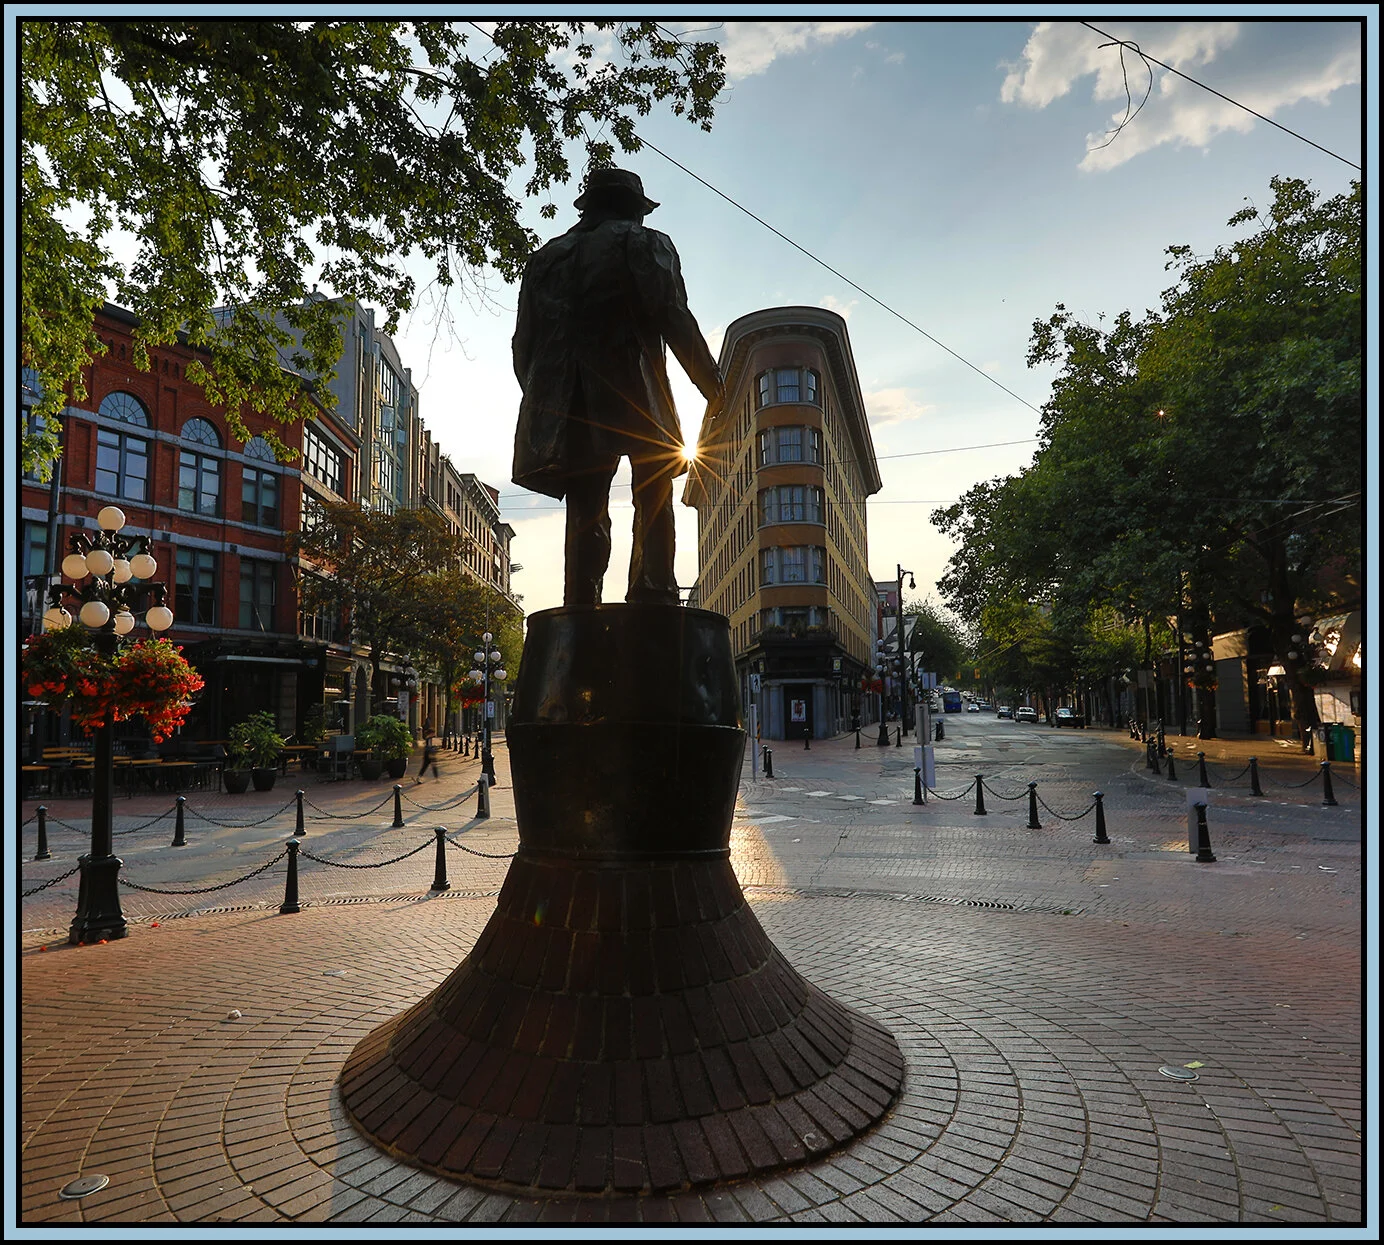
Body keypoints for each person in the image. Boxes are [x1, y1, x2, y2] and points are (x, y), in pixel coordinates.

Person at [512, 167, 724, 606]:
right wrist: (713, 386)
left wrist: (545, 403)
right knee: (654, 485)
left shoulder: (545, 259)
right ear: (634, 210)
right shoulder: (645, 243)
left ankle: (581, 604)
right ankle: (655, 594)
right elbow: (674, 318)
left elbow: (523, 347)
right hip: (634, 390)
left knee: (586, 505)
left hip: (563, 402)